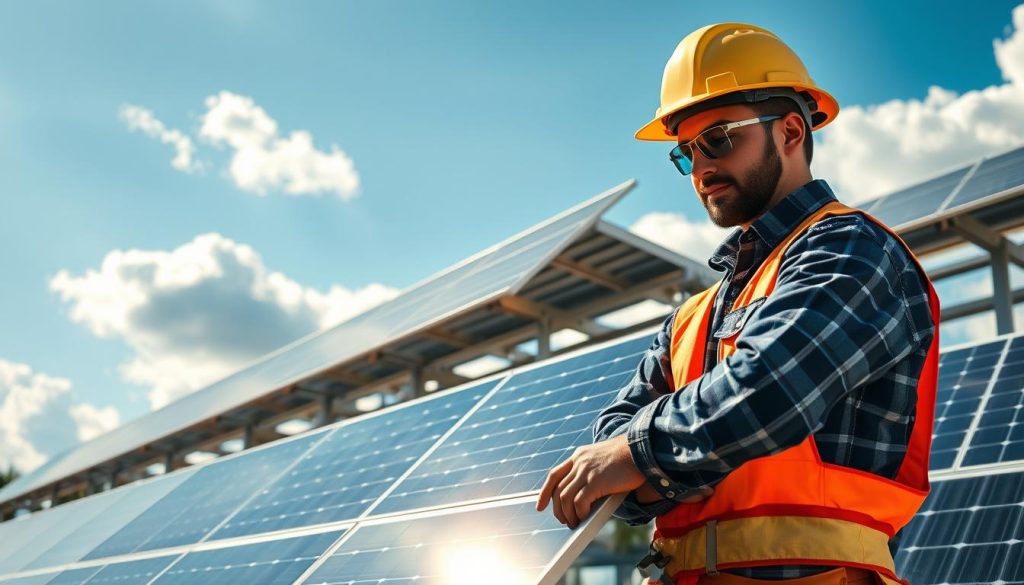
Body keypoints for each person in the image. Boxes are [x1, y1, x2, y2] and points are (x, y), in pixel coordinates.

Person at [536, 22, 940, 585]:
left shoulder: (852, 251)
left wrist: (640, 458)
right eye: (686, 154)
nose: (700, 168)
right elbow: (611, 451)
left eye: (720, 138)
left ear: (791, 132)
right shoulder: (691, 317)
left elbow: (772, 390)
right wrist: (644, 458)